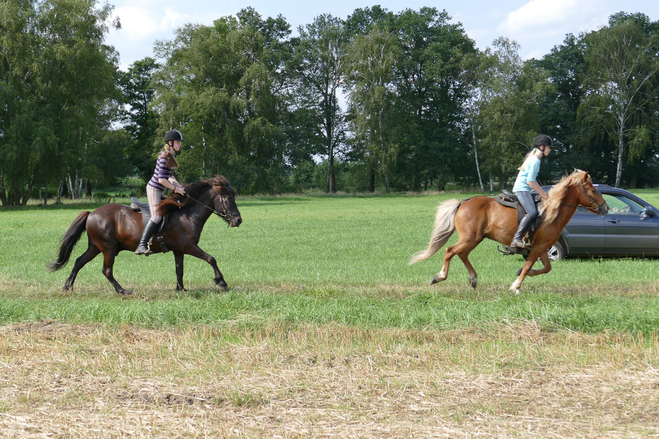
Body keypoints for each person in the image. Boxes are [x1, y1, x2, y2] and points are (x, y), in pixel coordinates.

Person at [135, 129, 186, 255]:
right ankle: (141, 245)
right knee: (156, 217)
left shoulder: (171, 157)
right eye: (178, 142)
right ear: (170, 143)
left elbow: (170, 177)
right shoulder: (164, 157)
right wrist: (175, 189)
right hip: (154, 189)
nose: (180, 144)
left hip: (160, 189)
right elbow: (161, 179)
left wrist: (180, 188)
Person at [509, 134, 552, 250]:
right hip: (522, 189)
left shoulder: (534, 159)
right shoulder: (535, 161)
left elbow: (534, 180)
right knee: (532, 211)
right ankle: (516, 239)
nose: (550, 150)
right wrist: (543, 194)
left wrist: (543, 192)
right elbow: (530, 182)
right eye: (549, 147)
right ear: (542, 147)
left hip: (524, 189)